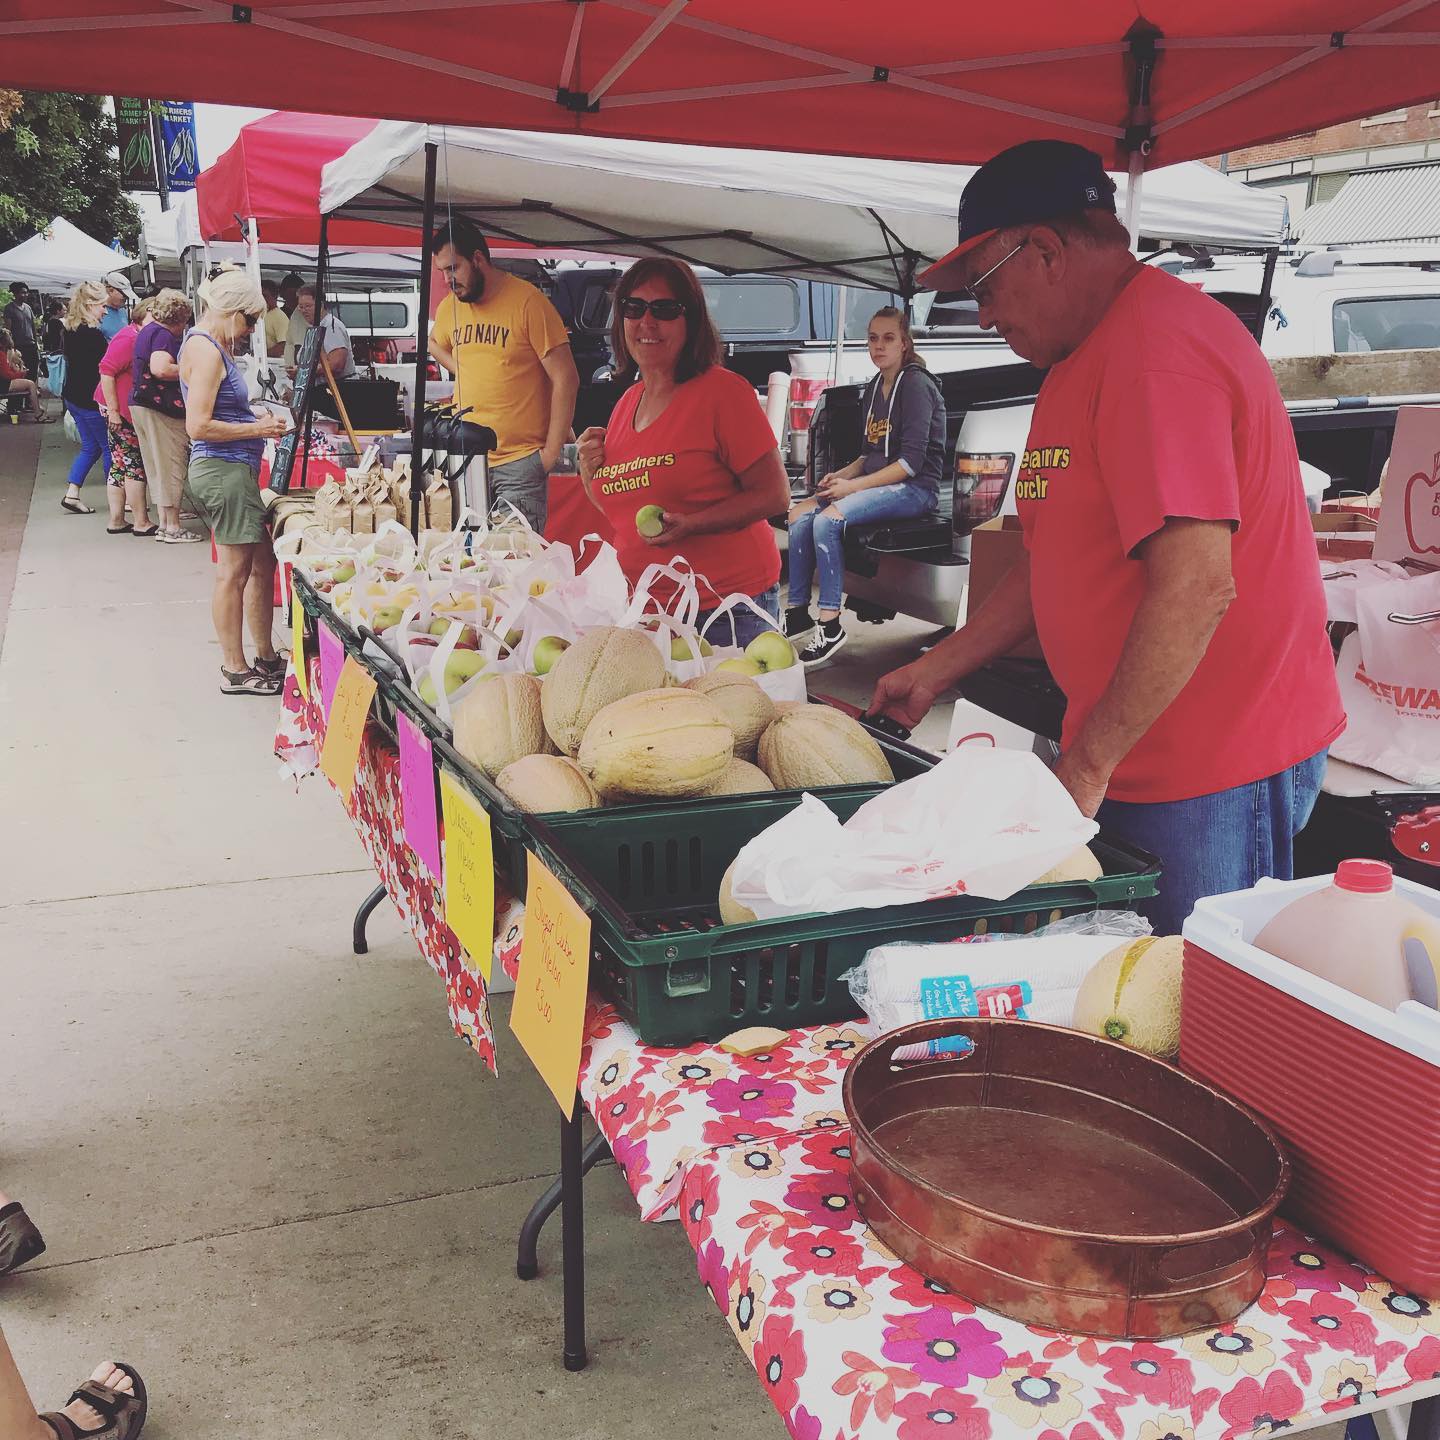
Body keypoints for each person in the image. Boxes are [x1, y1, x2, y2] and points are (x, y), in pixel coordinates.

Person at [871, 140, 1344, 935]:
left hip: (1210, 766)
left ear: (1048, 250)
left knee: (1183, 1008)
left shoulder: (1156, 353)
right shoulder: (1075, 362)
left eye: (981, 286)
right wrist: (937, 667)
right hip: (1130, 748)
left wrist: (1084, 766)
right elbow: (1050, 556)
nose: (983, 317)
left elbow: (1198, 586)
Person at [575, 258, 790, 647]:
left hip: (726, 610)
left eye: (665, 309)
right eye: (634, 308)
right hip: (650, 611)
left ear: (690, 320)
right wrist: (590, 473)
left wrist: (695, 523)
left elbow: (775, 495)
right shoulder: (628, 402)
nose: (647, 322)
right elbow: (621, 512)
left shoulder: (723, 393)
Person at [787, 306, 944, 666]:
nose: (879, 346)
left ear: (905, 343)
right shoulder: (874, 387)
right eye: (873, 338)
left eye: (888, 338)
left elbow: (909, 464)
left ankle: (830, 625)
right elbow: (868, 455)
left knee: (829, 520)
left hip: (915, 489)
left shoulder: (916, 385)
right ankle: (797, 612)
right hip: (880, 484)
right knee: (799, 515)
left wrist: (853, 489)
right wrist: (841, 477)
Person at [428, 216, 579, 532]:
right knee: (468, 563)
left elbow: (566, 377)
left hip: (520, 463)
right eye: (442, 270)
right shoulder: (449, 308)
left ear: (478, 259)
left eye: (453, 268)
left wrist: (550, 452)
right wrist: (463, 368)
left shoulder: (528, 303)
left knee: (515, 565)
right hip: (466, 459)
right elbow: (433, 343)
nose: (446, 279)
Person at [178, 269, 289, 696]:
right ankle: (236, 667)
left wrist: (252, 419)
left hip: (230, 468)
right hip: (222, 469)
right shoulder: (206, 351)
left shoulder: (206, 345)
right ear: (228, 312)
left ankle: (264, 654)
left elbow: (215, 415)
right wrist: (257, 430)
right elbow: (199, 426)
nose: (250, 331)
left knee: (262, 564)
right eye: (249, 321)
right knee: (234, 573)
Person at [130, 289, 199, 545]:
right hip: (162, 408)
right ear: (180, 317)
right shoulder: (164, 335)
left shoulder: (148, 330)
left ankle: (164, 522)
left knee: (156, 466)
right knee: (171, 464)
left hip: (141, 404)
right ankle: (172, 527)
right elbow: (161, 368)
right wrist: (194, 369)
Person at [97, 299, 157, 536]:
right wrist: (113, 410)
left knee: (120, 465)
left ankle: (117, 519)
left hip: (116, 408)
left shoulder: (132, 335)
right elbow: (106, 371)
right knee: (133, 465)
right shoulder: (130, 338)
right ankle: (141, 521)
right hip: (120, 410)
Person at [60, 282, 110, 514]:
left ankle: (72, 493)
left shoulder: (69, 330)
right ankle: (122, 498)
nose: (105, 310)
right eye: (102, 305)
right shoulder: (94, 336)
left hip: (73, 396)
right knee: (108, 447)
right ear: (90, 305)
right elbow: (103, 371)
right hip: (90, 400)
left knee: (91, 447)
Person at [294, 285, 356, 380]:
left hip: (337, 389)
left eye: (308, 306)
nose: (304, 310)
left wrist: (302, 371)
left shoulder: (332, 326)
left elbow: (337, 365)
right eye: (301, 307)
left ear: (321, 305)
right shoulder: (314, 328)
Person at [0, 328, 51, 421]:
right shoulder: (1, 354)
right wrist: (22, 373)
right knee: (30, 384)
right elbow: (6, 375)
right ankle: (38, 413)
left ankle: (36, 408)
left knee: (29, 383)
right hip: (3, 383)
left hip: (4, 381)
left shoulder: (4, 353)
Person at [4, 281, 39, 381]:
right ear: (15, 293)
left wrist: (36, 343)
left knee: (32, 372)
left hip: (31, 345)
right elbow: (8, 329)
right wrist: (11, 348)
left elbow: (33, 326)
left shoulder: (28, 308)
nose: (25, 295)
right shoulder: (9, 308)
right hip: (18, 346)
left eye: (26, 292)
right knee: (19, 372)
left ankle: (30, 393)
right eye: (22, 292)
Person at [99, 272, 136, 341]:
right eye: (124, 295)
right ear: (110, 291)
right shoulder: (98, 312)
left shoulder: (123, 311)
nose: (126, 298)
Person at [259, 278, 287, 360]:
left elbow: (283, 346)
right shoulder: (261, 315)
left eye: (265, 296)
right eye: (259, 296)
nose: (261, 299)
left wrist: (262, 355)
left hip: (275, 364)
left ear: (274, 296)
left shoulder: (279, 316)